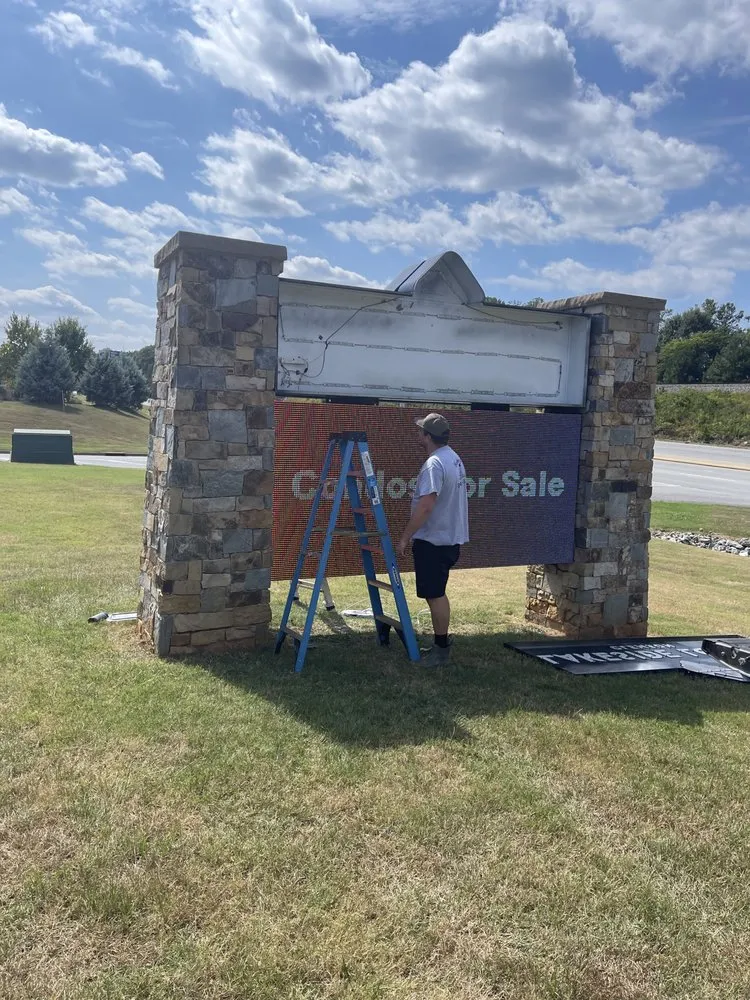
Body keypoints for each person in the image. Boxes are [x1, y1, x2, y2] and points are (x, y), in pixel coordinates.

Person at [398, 412, 469, 667]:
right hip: (448, 539)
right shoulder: (454, 458)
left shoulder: (434, 464)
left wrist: (405, 537)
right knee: (436, 593)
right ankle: (441, 644)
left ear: (428, 436)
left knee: (435, 594)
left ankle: (441, 651)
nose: (418, 435)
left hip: (435, 540)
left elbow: (427, 505)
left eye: (420, 432)